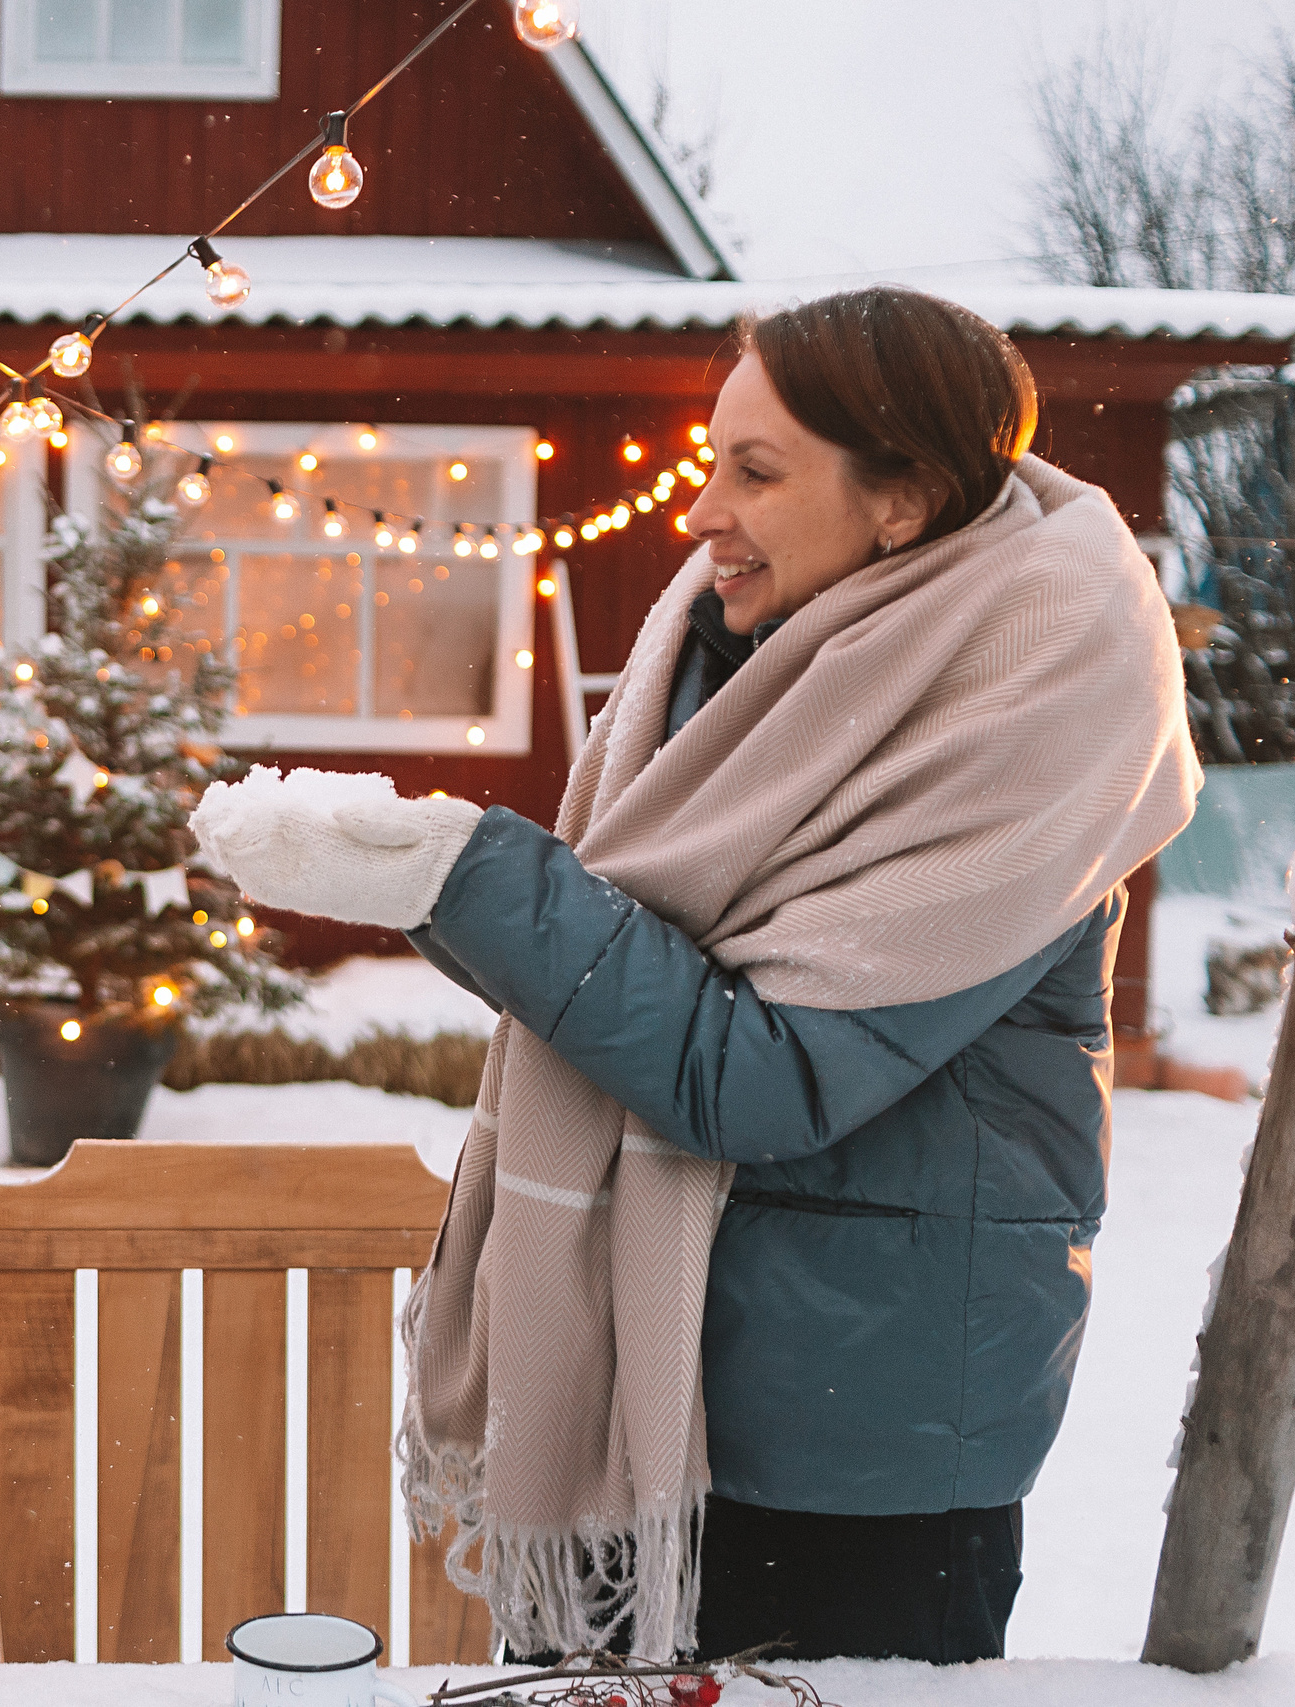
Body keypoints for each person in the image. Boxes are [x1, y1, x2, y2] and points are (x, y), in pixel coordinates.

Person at [194, 286, 1199, 1666]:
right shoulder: (743, 661)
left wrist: (462, 876)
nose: (703, 513)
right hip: (639, 1389)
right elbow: (629, 979)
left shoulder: (1033, 719)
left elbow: (762, 1074)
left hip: (853, 1456)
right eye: (710, 460)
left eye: (757, 472)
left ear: (902, 500)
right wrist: (434, 881)